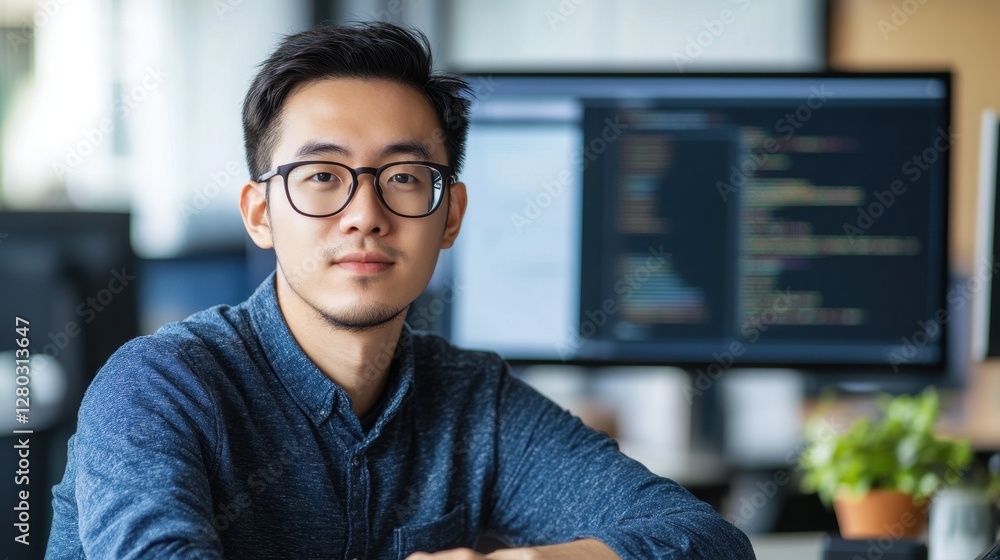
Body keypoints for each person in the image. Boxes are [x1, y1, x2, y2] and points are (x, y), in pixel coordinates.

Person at [46, 21, 756, 559]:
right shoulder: (160, 387)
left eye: (404, 178)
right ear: (260, 214)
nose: (365, 213)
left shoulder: (472, 401)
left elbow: (705, 539)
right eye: (322, 176)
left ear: (449, 217)